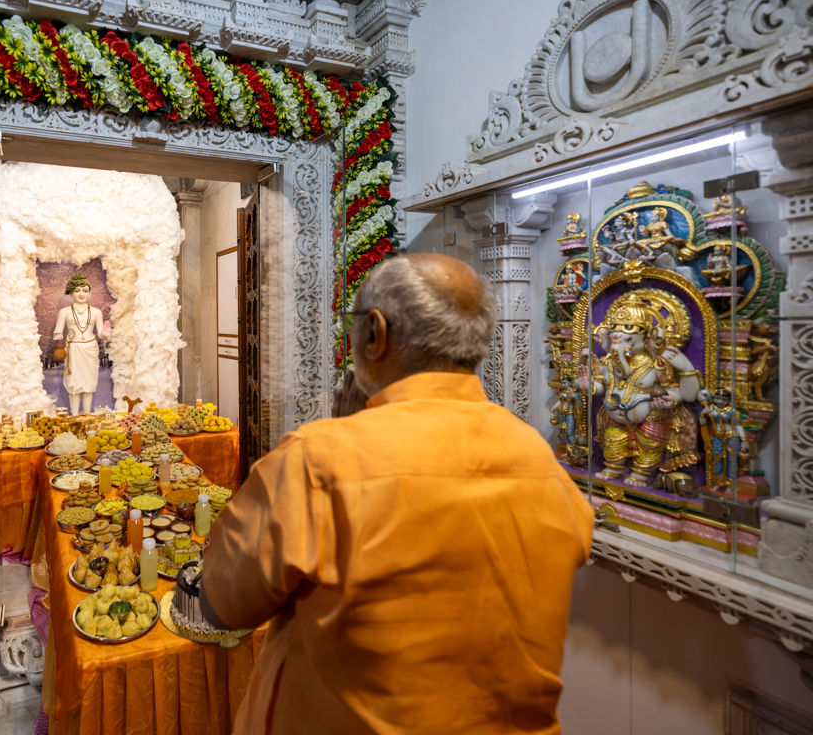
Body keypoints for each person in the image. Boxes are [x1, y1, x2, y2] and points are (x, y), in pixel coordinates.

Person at [200, 252, 594, 735]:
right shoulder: (541, 462)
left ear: (374, 333)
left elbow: (220, 607)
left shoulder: (318, 460)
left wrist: (344, 435)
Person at [52, 272, 105, 415]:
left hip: (90, 348)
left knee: (89, 384)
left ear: (90, 294)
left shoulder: (96, 312)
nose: (81, 294)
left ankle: (87, 416)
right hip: (72, 349)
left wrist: (106, 333)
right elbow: (57, 331)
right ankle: (75, 417)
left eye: (85, 290)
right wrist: (59, 341)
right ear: (70, 293)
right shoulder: (64, 312)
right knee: (73, 385)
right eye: (77, 290)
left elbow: (100, 333)